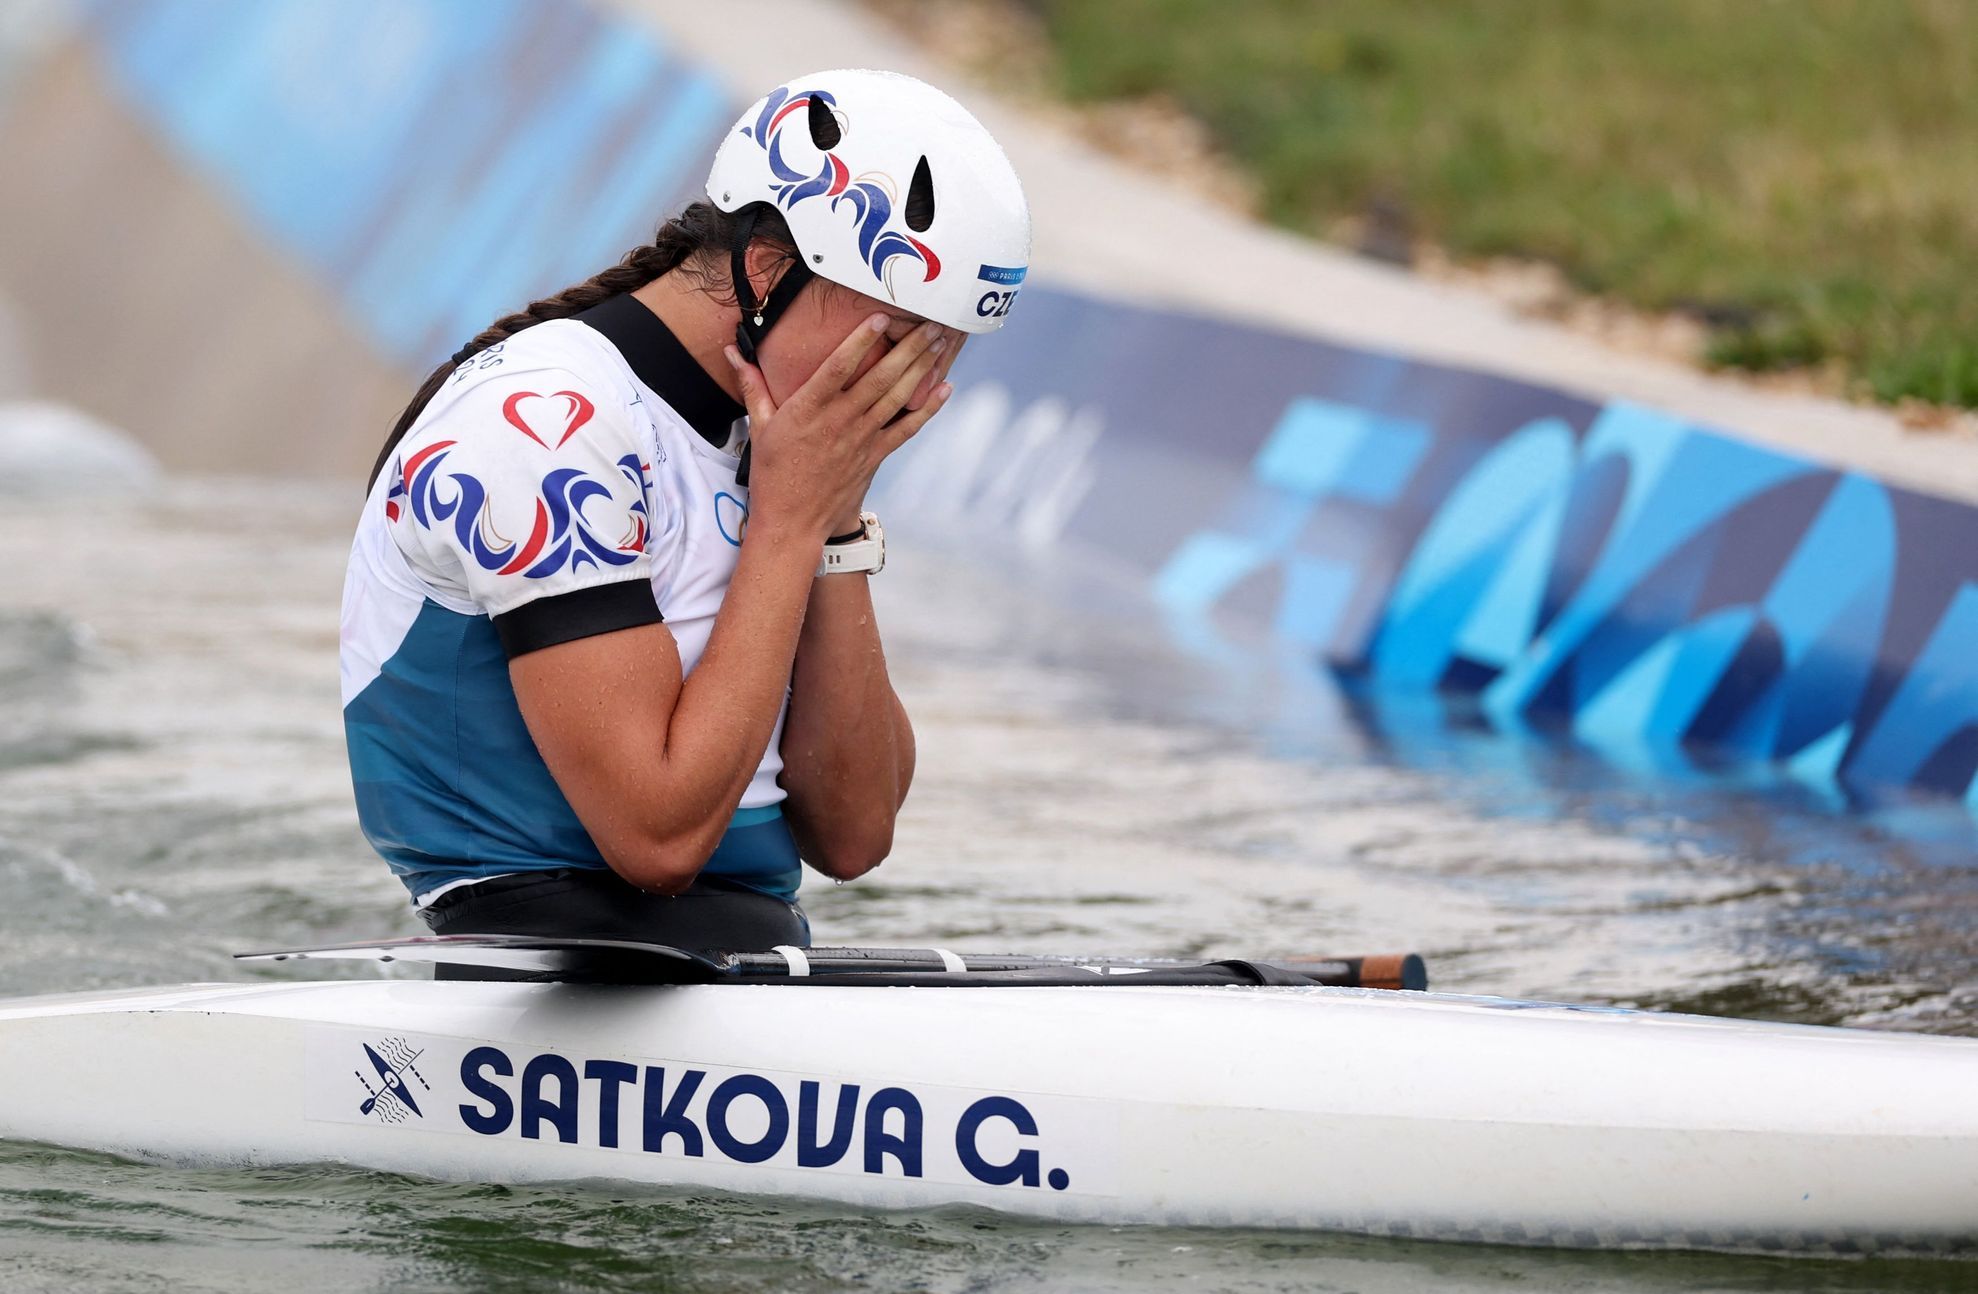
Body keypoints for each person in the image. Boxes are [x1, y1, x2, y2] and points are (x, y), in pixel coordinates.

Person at [337, 70, 1030, 967]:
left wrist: (834, 526)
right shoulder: (545, 423)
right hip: (540, 958)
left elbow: (854, 836)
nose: (921, 385)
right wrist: (785, 523)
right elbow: (655, 839)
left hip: (735, 958)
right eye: (904, 335)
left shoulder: (775, 433)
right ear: (767, 269)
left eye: (946, 351)